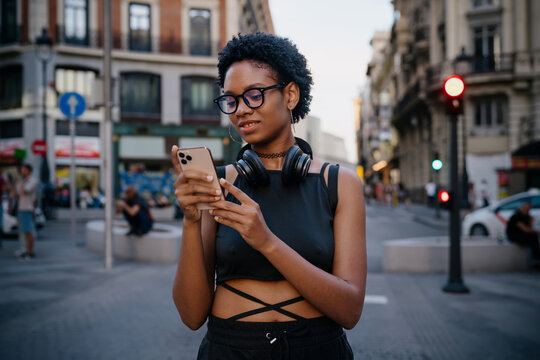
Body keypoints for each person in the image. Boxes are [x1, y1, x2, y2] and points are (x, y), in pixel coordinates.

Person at [172, 33, 366, 359]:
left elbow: (349, 311)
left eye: (254, 95)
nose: (241, 110)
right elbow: (191, 316)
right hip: (229, 348)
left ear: (290, 95)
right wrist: (192, 222)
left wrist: (266, 242)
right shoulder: (217, 183)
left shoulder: (340, 183)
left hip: (317, 348)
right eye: (231, 100)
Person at [15, 164, 38, 260]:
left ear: (29, 170)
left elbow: (25, 191)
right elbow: (17, 194)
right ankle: (24, 250)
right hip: (21, 208)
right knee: (23, 231)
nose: (22, 171)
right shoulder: (23, 181)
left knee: (29, 231)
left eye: (23, 169)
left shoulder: (33, 181)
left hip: (27, 208)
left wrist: (19, 181)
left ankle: (30, 252)